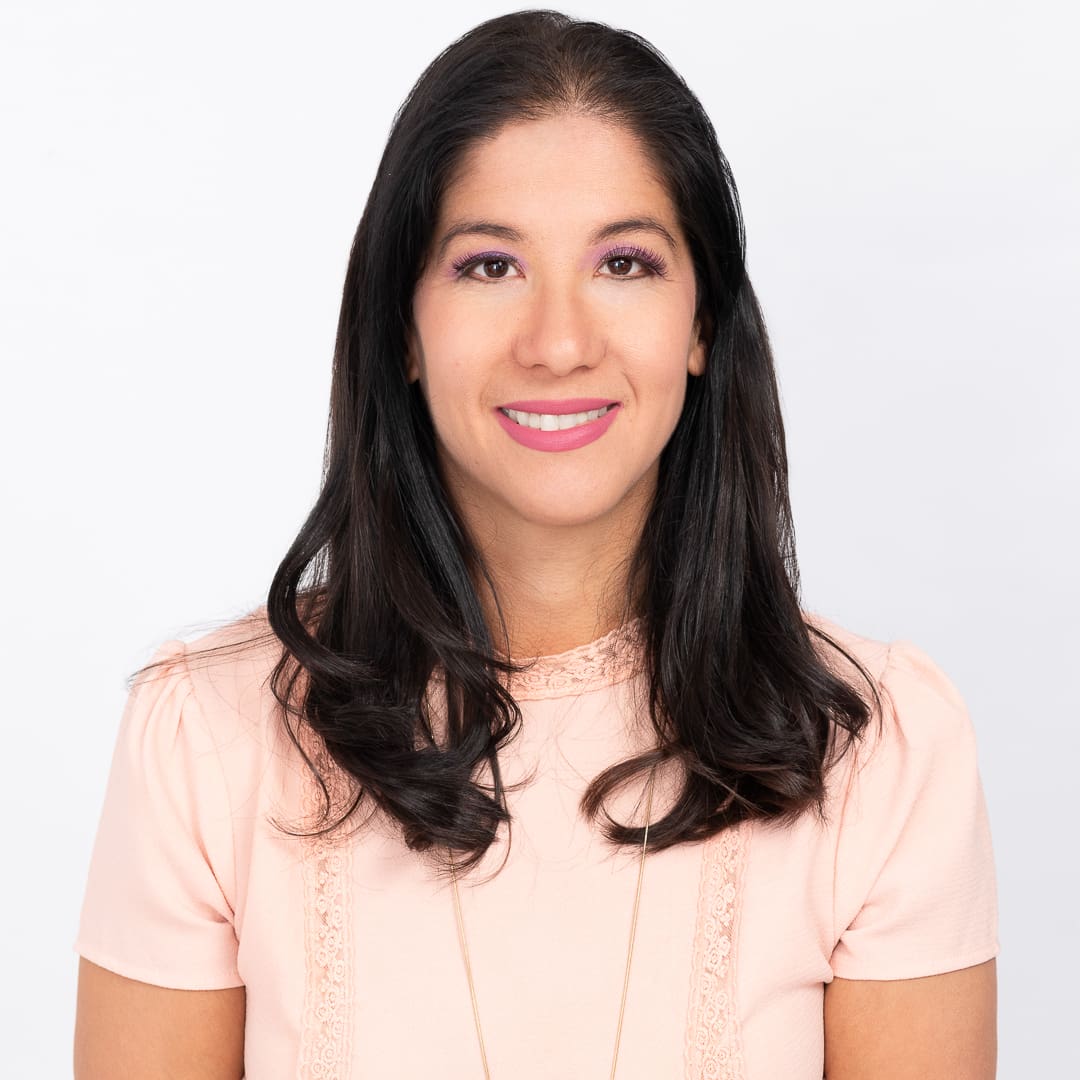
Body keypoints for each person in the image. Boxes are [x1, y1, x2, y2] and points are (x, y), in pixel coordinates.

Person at [73, 10, 998, 1078]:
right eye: (488, 267)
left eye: (624, 262)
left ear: (702, 323)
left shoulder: (882, 751)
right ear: (402, 329)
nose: (558, 342)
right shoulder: (207, 738)